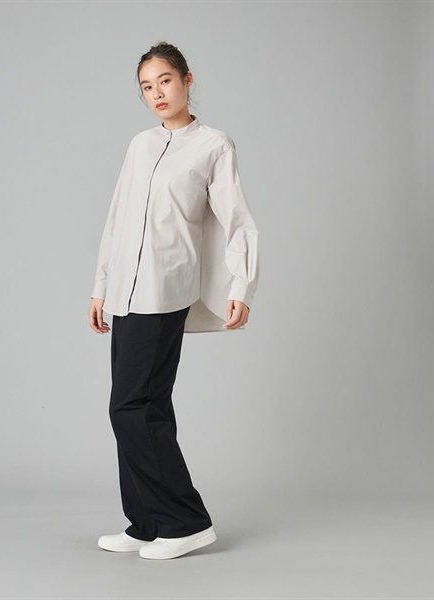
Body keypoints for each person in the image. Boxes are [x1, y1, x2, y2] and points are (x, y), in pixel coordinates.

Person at [88, 41, 260, 560]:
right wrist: (100, 286)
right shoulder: (139, 146)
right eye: (146, 86)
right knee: (145, 406)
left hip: (165, 290)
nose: (156, 93)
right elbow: (117, 218)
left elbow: (237, 221)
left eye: (164, 80)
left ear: (187, 79)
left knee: (131, 407)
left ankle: (186, 521)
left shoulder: (213, 146)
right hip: (125, 291)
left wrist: (241, 286)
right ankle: (146, 522)